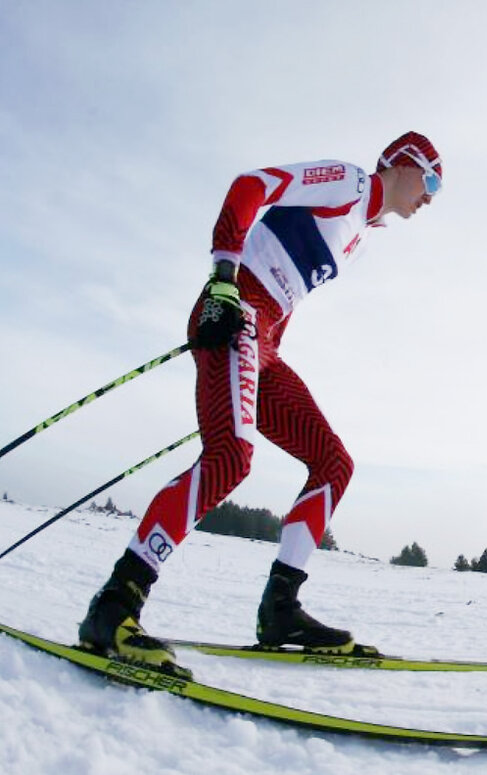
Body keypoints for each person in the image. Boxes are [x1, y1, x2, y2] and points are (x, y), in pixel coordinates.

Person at [78, 132, 443, 677]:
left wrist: (253, 370)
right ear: (402, 164)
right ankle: (115, 606)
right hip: (237, 309)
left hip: (265, 339)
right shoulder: (348, 183)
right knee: (230, 458)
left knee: (333, 464)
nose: (430, 196)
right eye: (431, 180)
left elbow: (287, 290)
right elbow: (252, 186)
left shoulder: (359, 238)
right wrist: (223, 282)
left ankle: (281, 611)